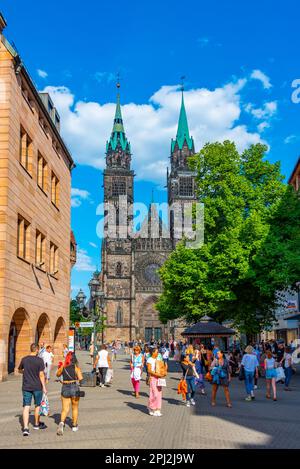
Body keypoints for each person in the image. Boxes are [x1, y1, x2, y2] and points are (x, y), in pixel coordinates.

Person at [18, 343, 47, 436]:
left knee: (26, 406)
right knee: (37, 406)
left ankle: (25, 428)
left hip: (26, 386)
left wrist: (24, 372)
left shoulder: (24, 359)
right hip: (37, 386)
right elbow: (41, 374)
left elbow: (19, 370)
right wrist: (44, 387)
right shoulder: (39, 360)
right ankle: (36, 424)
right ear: (37, 350)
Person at [56, 352, 83, 435]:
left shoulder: (63, 367)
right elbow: (81, 378)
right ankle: (74, 426)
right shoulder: (76, 368)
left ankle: (61, 423)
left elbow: (57, 374)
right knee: (75, 408)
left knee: (65, 409)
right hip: (74, 387)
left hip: (65, 387)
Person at [147, 347, 166, 416]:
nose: (158, 353)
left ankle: (158, 409)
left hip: (159, 378)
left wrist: (164, 372)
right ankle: (151, 407)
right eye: (157, 352)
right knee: (154, 393)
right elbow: (149, 370)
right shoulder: (149, 359)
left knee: (159, 394)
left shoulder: (159, 359)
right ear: (153, 352)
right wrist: (156, 374)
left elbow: (162, 368)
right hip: (153, 378)